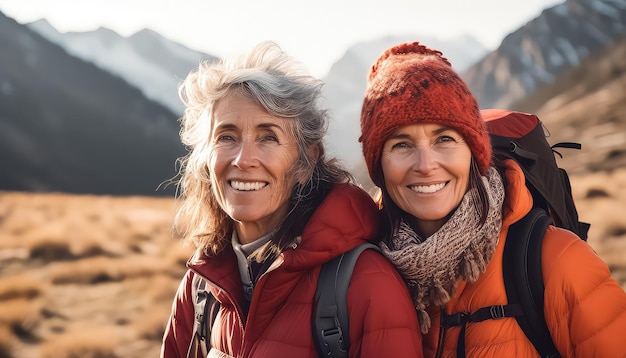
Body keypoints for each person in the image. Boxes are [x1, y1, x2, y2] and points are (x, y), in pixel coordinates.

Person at [358, 41, 626, 357]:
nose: (426, 165)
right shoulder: (361, 273)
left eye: (445, 139)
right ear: (379, 165)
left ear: (474, 154)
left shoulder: (557, 261)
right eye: (401, 145)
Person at [160, 41, 423, 358]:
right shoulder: (200, 286)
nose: (244, 159)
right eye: (226, 136)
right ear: (205, 158)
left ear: (306, 160)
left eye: (268, 136)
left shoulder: (366, 285)